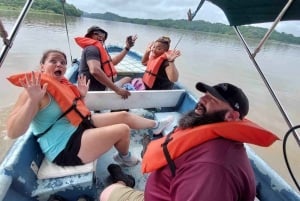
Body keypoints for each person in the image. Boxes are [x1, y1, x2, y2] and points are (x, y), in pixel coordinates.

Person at [99, 82, 279, 201]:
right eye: (205, 94)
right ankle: (122, 182)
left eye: (212, 99)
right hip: (164, 192)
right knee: (112, 190)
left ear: (231, 116)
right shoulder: (210, 134)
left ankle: (121, 183)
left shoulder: (212, 169)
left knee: (107, 193)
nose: (201, 100)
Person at [6, 49, 174, 167]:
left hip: (77, 126)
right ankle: (125, 158)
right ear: (42, 66)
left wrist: (82, 96)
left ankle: (157, 126)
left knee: (124, 115)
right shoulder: (35, 91)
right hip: (64, 147)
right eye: (53, 61)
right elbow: (13, 132)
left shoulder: (61, 84)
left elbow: (72, 111)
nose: (60, 64)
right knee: (122, 129)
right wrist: (32, 101)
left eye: (63, 62)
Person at [75, 26, 138, 99]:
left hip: (105, 87)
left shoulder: (98, 49)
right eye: (96, 33)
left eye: (103, 34)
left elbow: (113, 62)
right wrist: (117, 90)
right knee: (125, 93)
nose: (100, 35)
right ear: (89, 36)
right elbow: (95, 71)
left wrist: (127, 47)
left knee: (128, 78)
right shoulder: (92, 49)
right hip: (95, 92)